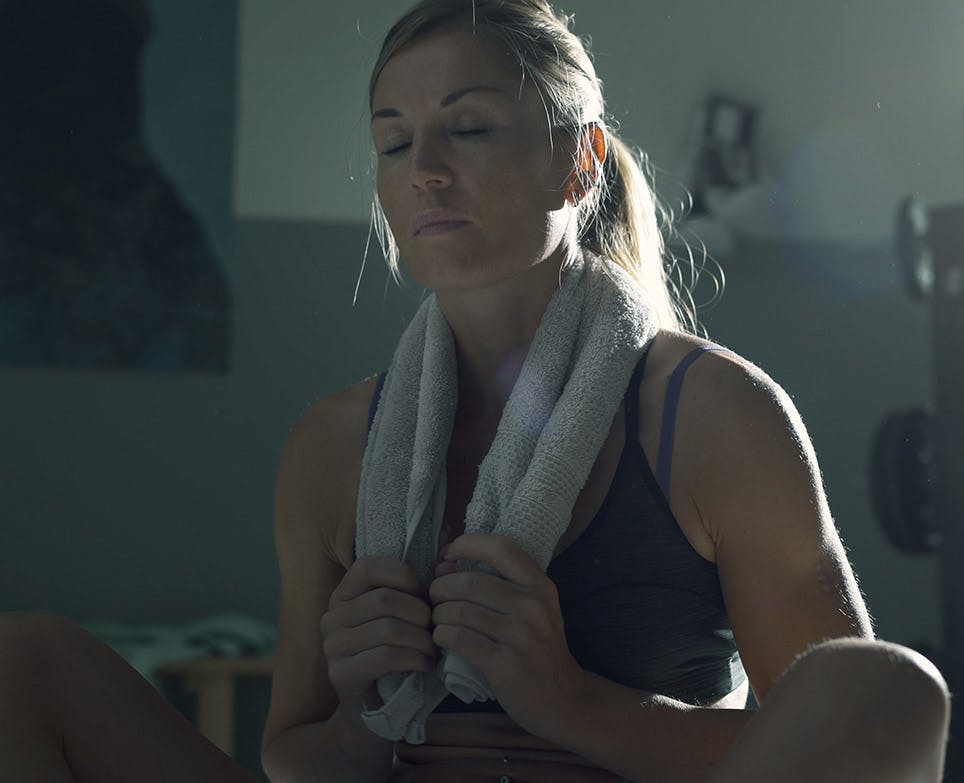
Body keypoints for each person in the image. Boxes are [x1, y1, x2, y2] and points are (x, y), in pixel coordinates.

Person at [0, 1, 950, 782]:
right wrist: (371, 711)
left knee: (891, 687)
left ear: (578, 163)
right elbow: (293, 755)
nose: (428, 172)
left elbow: (829, 726)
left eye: (470, 127)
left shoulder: (712, 415)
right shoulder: (334, 444)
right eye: (396, 142)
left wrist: (570, 701)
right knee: (23, 661)